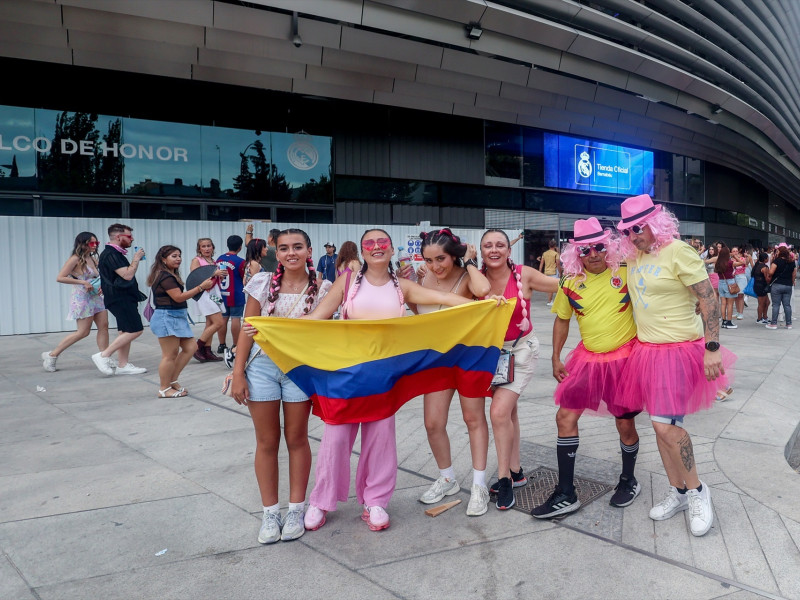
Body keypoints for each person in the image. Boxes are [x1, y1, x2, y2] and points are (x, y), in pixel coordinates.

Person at [301, 229, 476, 532]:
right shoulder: (348, 282)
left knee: (381, 441)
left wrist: (486, 305)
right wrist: (271, 326)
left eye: (383, 243)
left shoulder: (403, 287)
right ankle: (321, 500)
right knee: (335, 441)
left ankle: (376, 501)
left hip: (383, 378)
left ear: (392, 250)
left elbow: (445, 298)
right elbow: (317, 317)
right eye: (370, 243)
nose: (377, 247)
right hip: (346, 375)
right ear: (362, 251)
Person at [615, 193, 734, 537]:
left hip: (680, 352)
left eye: (638, 227)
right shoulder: (634, 255)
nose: (633, 234)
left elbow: (707, 298)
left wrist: (712, 347)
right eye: (628, 230)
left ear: (656, 223)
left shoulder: (678, 251)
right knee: (659, 426)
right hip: (648, 353)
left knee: (667, 427)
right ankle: (679, 492)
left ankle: (697, 491)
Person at [530, 219, 643, 518]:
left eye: (598, 247)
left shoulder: (626, 271)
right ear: (575, 253)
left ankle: (628, 479)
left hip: (626, 361)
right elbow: (562, 320)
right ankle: (566, 492)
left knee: (625, 424)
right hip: (588, 359)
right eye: (585, 249)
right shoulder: (570, 282)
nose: (593, 254)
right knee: (564, 416)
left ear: (608, 247)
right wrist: (555, 356)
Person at [231, 229, 332, 544]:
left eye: (298, 247)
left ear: (308, 250)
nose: (291, 253)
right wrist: (237, 372)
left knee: (297, 439)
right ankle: (270, 512)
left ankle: (295, 509)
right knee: (266, 441)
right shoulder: (261, 282)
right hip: (261, 368)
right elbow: (248, 329)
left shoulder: (323, 288)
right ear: (276, 250)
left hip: (299, 370)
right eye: (284, 248)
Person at [410, 229, 493, 517]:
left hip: (469, 356)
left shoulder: (469, 275)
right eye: (429, 260)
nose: (436, 266)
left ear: (454, 254)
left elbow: (483, 292)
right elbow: (416, 311)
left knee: (473, 419)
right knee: (433, 423)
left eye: (442, 258)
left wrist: (470, 261)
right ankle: (447, 478)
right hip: (435, 358)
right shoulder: (423, 276)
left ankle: (479, 484)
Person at [481, 229, 559, 510]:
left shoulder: (524, 274)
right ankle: (516, 470)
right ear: (481, 251)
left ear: (508, 249)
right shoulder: (475, 279)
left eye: (500, 245)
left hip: (522, 351)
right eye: (488, 245)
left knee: (499, 412)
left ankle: (504, 480)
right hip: (490, 358)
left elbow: (559, 285)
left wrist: (582, 273)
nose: (494, 250)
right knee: (509, 412)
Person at [147, 246, 215, 398]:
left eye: (179, 256)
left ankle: (172, 380)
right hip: (167, 317)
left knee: (191, 347)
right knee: (169, 355)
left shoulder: (170, 274)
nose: (178, 259)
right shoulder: (165, 276)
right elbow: (178, 297)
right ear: (163, 259)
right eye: (173, 256)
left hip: (176, 316)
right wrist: (201, 287)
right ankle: (164, 389)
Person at [42, 232, 109, 372]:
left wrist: (102, 285)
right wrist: (82, 281)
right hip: (82, 298)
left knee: (104, 326)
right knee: (83, 332)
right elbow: (60, 277)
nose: (95, 246)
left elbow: (97, 277)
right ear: (83, 244)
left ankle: (105, 357)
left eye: (97, 243)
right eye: (92, 243)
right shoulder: (75, 259)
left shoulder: (92, 258)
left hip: (96, 296)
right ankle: (52, 355)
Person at [92, 223, 147, 376]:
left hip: (122, 296)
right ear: (118, 237)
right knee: (136, 329)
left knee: (125, 331)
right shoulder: (111, 254)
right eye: (129, 236)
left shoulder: (115, 254)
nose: (132, 239)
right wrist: (136, 259)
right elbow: (128, 275)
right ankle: (103, 355)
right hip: (119, 298)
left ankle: (123, 365)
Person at [189, 238, 226, 363]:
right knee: (219, 322)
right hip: (204, 294)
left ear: (213, 247)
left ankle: (207, 350)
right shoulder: (196, 260)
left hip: (215, 293)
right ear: (199, 249)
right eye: (203, 246)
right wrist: (215, 273)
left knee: (210, 323)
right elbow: (195, 278)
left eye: (208, 246)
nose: (206, 249)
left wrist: (219, 275)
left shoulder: (213, 261)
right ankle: (197, 347)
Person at [216, 235, 247, 363]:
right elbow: (243, 277)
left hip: (221, 293)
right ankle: (235, 344)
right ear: (240, 247)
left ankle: (221, 344)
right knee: (236, 319)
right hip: (235, 293)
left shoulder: (219, 259)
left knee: (223, 319)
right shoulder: (241, 261)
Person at [766, 244, 796, 330]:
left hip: (777, 285)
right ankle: (789, 324)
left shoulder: (777, 261)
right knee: (787, 305)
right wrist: (792, 281)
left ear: (780, 252)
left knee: (776, 305)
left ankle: (774, 324)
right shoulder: (792, 262)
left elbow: (771, 272)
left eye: (778, 251)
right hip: (788, 285)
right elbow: (793, 274)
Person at [715, 245, 738, 329]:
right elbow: (742, 263)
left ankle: (724, 321)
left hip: (720, 283)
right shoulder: (730, 262)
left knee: (723, 303)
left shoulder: (718, 262)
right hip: (729, 283)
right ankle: (729, 321)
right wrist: (735, 256)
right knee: (730, 304)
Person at [538, 239, 560, 306]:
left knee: (550, 287)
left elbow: (541, 264)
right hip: (554, 272)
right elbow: (558, 264)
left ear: (549, 245)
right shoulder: (556, 254)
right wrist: (560, 272)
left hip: (546, 272)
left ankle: (550, 300)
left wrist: (539, 272)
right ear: (555, 246)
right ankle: (550, 301)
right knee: (555, 287)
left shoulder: (545, 253)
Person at [752, 251, 771, 324]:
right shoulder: (764, 267)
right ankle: (759, 318)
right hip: (761, 286)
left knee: (766, 302)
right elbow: (767, 278)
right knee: (761, 303)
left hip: (758, 285)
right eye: (767, 258)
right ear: (765, 259)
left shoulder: (757, 265)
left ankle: (764, 317)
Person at [731, 246, 749, 319]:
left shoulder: (742, 259)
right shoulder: (731, 260)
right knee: (735, 296)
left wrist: (736, 257)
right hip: (734, 277)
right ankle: (738, 312)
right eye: (733, 251)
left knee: (740, 296)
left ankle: (741, 313)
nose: (735, 252)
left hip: (741, 277)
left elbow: (744, 263)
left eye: (736, 251)